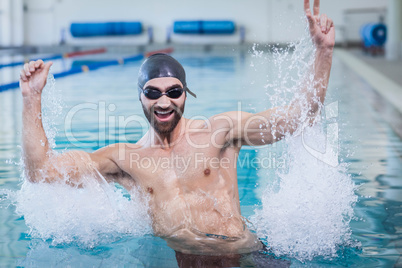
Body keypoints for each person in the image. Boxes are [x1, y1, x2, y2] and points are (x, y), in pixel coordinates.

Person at [19, 0, 333, 265]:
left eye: (173, 90)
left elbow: (295, 119)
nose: (164, 101)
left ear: (186, 93)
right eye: (153, 93)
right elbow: (42, 172)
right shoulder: (126, 160)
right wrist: (31, 99)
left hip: (246, 258)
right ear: (140, 97)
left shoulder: (220, 133)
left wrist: (323, 53)